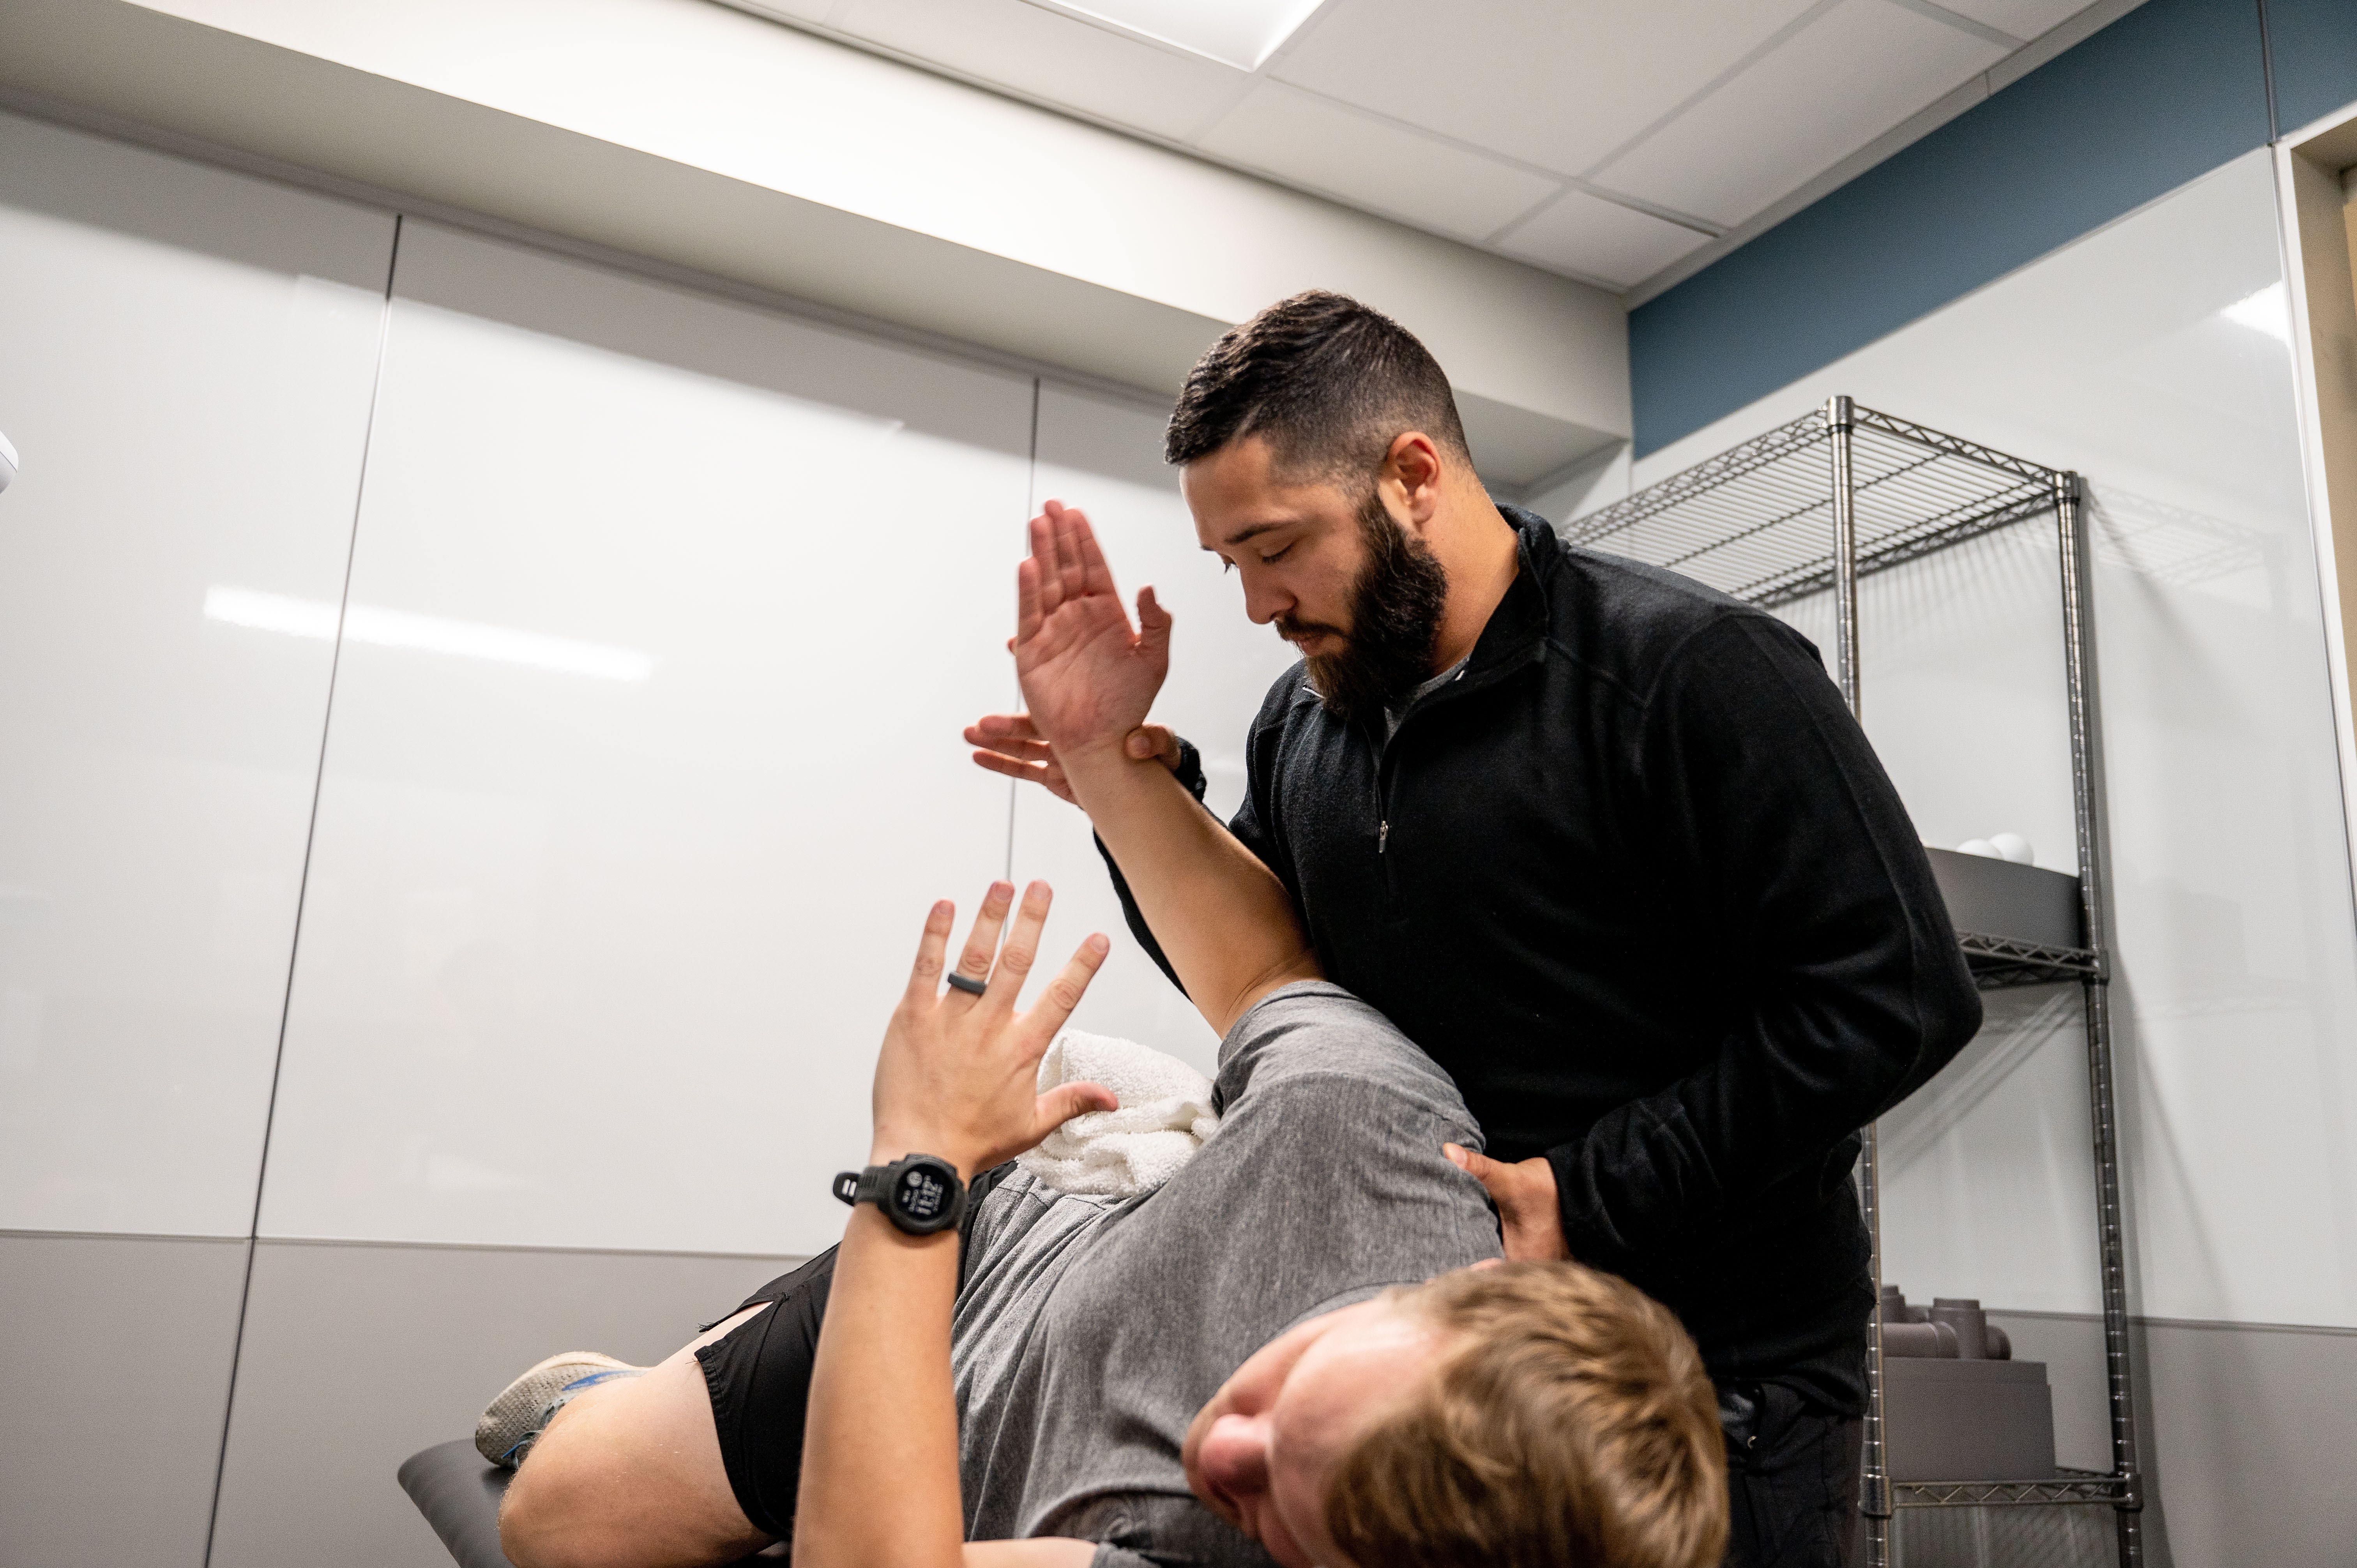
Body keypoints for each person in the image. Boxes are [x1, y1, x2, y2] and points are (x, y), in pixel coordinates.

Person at [967, 291, 1985, 1566]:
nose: (1257, 606)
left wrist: (1590, 1193)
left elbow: (1895, 996)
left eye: (1278, 548)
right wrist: (1138, 795)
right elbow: (1281, 994)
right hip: (1436, 1361)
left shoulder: (1691, 674)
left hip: (1719, 1380)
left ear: (1411, 476)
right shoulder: (1309, 725)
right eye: (1233, 564)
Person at [487, 669, 1729, 1568]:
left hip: (933, 1315)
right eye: (1274, 1409)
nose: (1218, 1453)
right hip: (1000, 1262)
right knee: (564, 1489)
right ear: (1446, 1297)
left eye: (1274, 1510)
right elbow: (1261, 971)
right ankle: (638, 1385)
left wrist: (915, 1159)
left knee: (561, 1535)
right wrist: (1108, 773)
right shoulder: (1384, 1137)